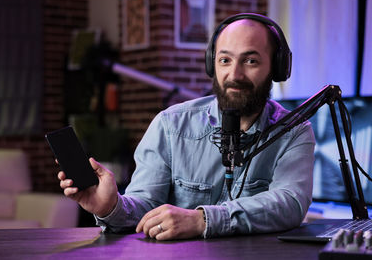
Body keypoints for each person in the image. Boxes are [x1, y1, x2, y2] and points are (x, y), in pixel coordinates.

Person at [58, 13, 315, 240]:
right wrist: (110, 207)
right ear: (211, 64)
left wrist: (202, 220)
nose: (235, 74)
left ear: (278, 68)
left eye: (251, 61)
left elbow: (290, 203)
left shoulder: (294, 132)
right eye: (225, 60)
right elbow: (145, 207)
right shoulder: (171, 125)